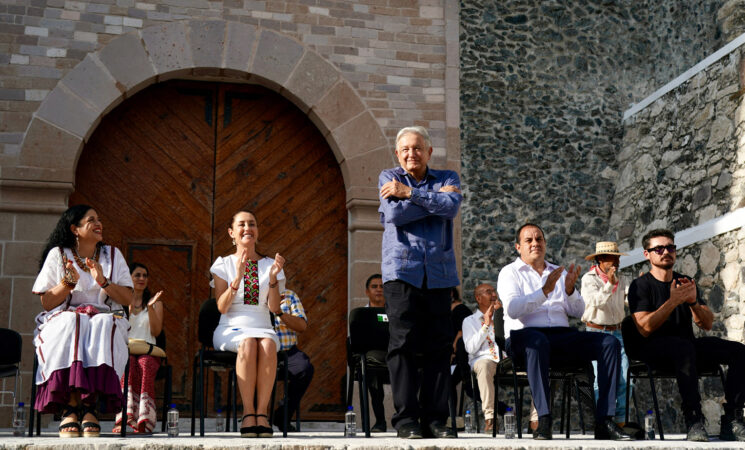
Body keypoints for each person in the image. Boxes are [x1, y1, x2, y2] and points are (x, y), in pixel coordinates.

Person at [496, 223, 631, 440]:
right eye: (528, 240)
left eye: (539, 239)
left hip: (560, 336)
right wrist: (544, 291)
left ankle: (604, 420)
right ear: (517, 247)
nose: (535, 243)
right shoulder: (509, 273)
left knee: (609, 344)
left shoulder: (557, 272)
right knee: (537, 341)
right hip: (524, 337)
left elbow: (580, 311)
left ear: (545, 243)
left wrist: (569, 291)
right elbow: (512, 310)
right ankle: (544, 419)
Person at [378, 125, 462, 439]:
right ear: (397, 155)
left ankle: (435, 420)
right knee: (402, 347)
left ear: (428, 152)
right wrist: (432, 200)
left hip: (439, 274)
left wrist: (410, 193)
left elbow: (452, 207)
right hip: (402, 272)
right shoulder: (388, 178)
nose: (411, 154)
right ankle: (406, 420)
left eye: (417, 148)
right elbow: (396, 217)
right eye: (405, 150)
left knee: (439, 348)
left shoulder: (448, 178)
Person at [627, 229, 745, 442]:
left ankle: (732, 419)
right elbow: (644, 327)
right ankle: (694, 420)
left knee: (739, 351)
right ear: (647, 254)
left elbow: (706, 324)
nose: (666, 252)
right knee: (682, 347)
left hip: (687, 349)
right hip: (653, 350)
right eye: (659, 248)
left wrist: (692, 302)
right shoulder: (640, 285)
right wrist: (672, 302)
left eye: (670, 247)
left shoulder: (685, 281)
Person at [31, 205, 133, 438]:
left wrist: (103, 281)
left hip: (104, 315)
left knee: (102, 324)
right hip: (62, 317)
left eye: (99, 219)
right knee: (72, 322)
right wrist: (67, 283)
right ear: (74, 229)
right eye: (91, 220)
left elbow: (128, 299)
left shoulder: (113, 255)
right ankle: (71, 406)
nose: (99, 224)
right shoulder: (58, 254)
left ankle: (90, 407)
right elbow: (47, 302)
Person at [210, 210, 286, 438]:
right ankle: (248, 413)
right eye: (241, 224)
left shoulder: (271, 264)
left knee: (268, 345)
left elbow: (274, 308)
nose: (247, 228)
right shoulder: (223, 264)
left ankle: (262, 414)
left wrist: (273, 279)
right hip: (230, 327)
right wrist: (237, 277)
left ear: (257, 231)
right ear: (232, 233)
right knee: (248, 344)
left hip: (263, 325)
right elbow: (222, 307)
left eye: (252, 224)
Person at [581, 241, 630, 426]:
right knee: (599, 381)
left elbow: (629, 299)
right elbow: (594, 302)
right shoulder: (589, 279)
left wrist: (641, 290)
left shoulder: (622, 278)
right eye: (612, 257)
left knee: (627, 380)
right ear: (601, 259)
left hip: (617, 333)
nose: (617, 261)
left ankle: (619, 423)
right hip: (596, 333)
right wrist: (610, 285)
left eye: (617, 257)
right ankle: (602, 422)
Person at [113, 262, 164, 434]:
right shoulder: (120, 303)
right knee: (128, 364)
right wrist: (127, 308)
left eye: (145, 275)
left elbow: (156, 331)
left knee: (144, 363)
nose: (142, 279)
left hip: (148, 351)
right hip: (126, 351)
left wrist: (150, 308)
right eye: (137, 275)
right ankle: (124, 417)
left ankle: (144, 419)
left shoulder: (156, 304)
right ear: (129, 278)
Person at [462, 283, 502, 433]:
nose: (493, 295)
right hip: (483, 359)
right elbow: (470, 348)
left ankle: (536, 420)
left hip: (504, 359)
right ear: (478, 298)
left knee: (534, 364)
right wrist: (486, 325)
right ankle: (490, 419)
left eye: (494, 291)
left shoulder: (504, 316)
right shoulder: (469, 321)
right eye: (488, 292)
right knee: (484, 365)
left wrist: (500, 317)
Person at [272, 288, 314, 432]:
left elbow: (302, 326)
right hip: (260, 351)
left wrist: (279, 312)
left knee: (304, 368)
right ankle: (255, 417)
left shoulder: (289, 295)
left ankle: (282, 415)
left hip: (287, 351)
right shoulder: (253, 294)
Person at [362, 273, 388, 432]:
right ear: (367, 292)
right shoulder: (361, 314)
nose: (379, 290)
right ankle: (380, 421)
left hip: (394, 356)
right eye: (374, 286)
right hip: (373, 360)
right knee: (371, 368)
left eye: (382, 286)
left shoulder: (395, 311)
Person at [450, 287, 474, 404]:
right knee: (450, 384)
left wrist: (453, 350)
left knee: (468, 387)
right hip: (459, 355)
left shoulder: (460, 309)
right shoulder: (452, 310)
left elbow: (462, 332)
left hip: (462, 356)